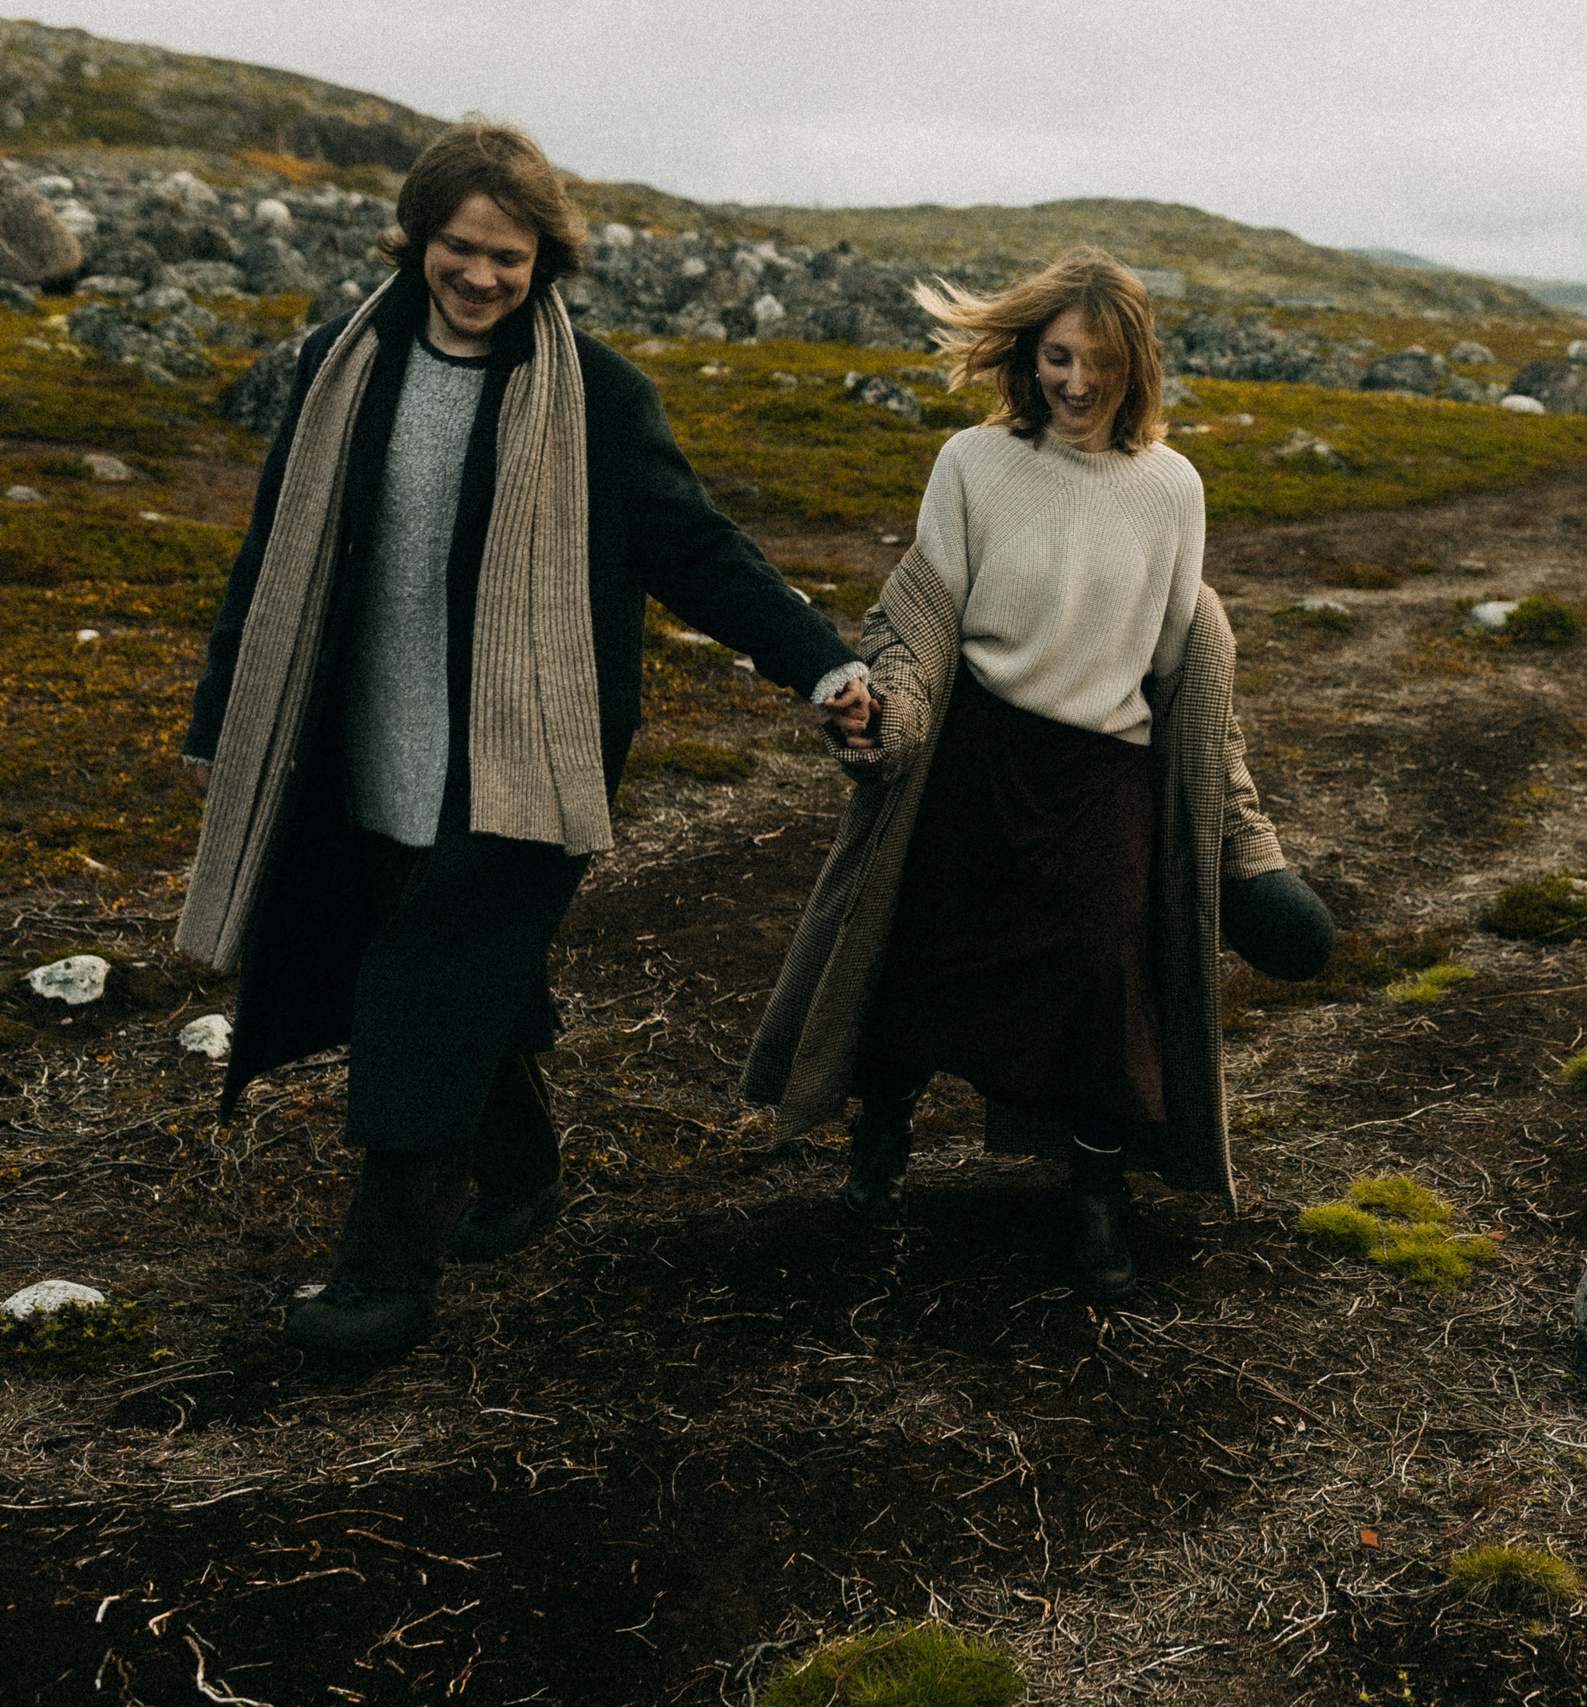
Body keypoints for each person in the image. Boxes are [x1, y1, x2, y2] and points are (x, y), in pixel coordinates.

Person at [178, 120, 871, 1358]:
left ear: (547, 257)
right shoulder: (346, 362)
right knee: (441, 970)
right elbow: (276, 543)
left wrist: (818, 662)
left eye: (512, 256)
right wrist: (229, 709)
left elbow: (696, 552)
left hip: (524, 754)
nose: (483, 277)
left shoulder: (596, 395)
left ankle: (384, 1273)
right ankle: (525, 1176)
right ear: (418, 238)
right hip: (366, 745)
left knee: (419, 986)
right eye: (461, 247)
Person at [743, 248, 1333, 1299]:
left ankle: (1097, 1197)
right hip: (974, 756)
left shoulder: (1171, 489)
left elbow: (1168, 655)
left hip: (1103, 766)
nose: (1075, 381)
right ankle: (881, 1138)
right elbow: (921, 623)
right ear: (1029, 355)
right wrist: (895, 716)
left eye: (1098, 361)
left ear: (1135, 365)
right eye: (1058, 357)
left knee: (1106, 977)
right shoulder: (972, 463)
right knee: (920, 954)